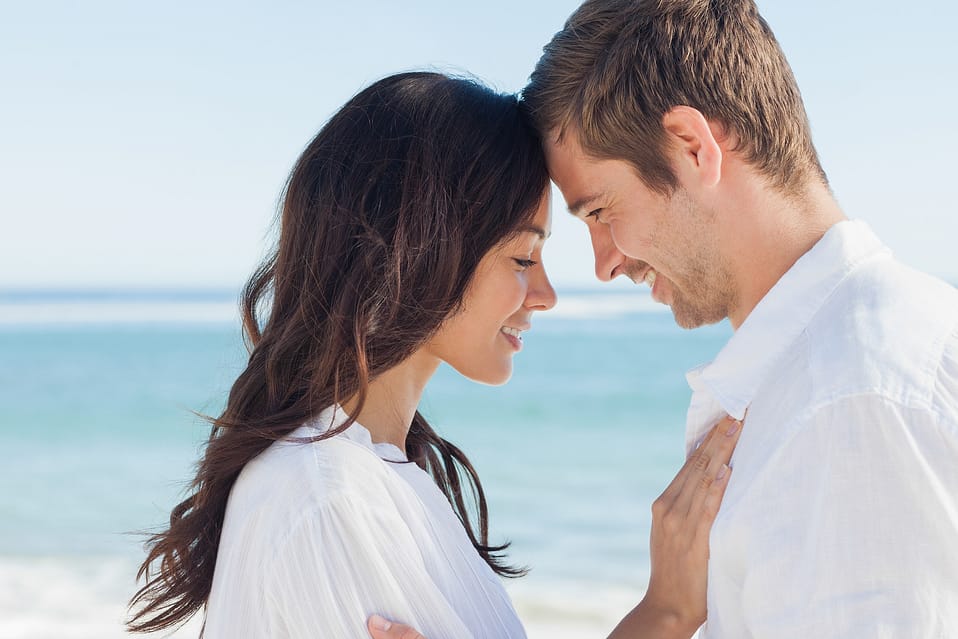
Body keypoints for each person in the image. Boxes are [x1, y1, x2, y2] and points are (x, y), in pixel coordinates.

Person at [370, 0, 958, 637]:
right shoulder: (830, 375)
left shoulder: (854, 403)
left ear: (692, 147)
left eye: (600, 212)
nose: (604, 264)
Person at [127, 71, 739, 638]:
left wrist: (668, 609)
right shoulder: (331, 500)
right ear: (417, 251)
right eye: (522, 258)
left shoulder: (377, 481)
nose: (546, 295)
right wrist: (667, 611)